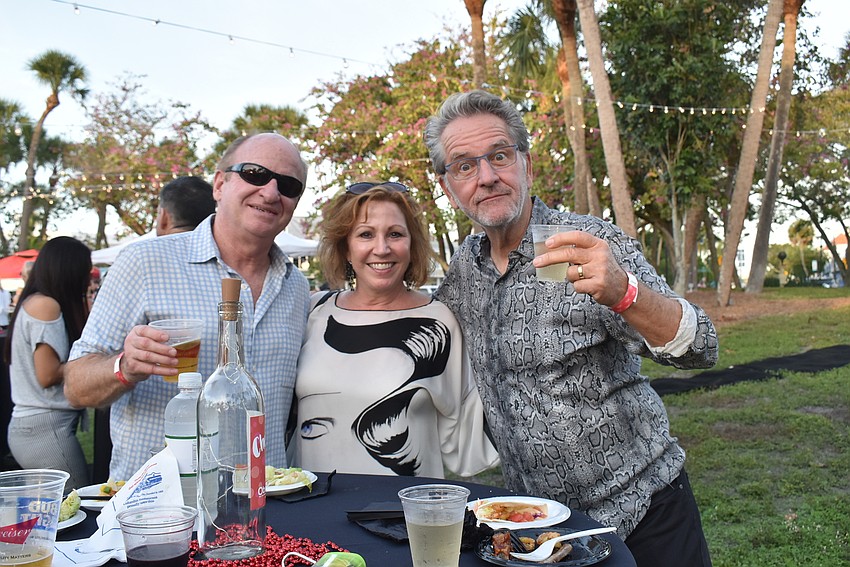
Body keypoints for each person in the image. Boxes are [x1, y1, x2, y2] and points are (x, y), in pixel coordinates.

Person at [423, 90, 718, 566]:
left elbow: (701, 346)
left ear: (526, 164)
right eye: (464, 165)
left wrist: (625, 293)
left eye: (499, 155)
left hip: (643, 511)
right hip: (538, 531)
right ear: (447, 185)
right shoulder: (464, 270)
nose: (487, 176)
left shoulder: (586, 242)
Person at [65, 133, 311, 481]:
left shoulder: (296, 286)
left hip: (263, 498)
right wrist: (126, 366)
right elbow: (75, 387)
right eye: (255, 174)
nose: (270, 192)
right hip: (161, 499)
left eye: (288, 185)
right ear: (220, 185)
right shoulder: (145, 262)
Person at [292, 182, 498, 478]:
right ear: (346, 247)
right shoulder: (314, 312)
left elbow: (467, 436)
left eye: (395, 234)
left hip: (406, 504)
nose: (382, 248)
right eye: (365, 234)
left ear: (412, 245)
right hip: (313, 500)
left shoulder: (440, 322)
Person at [3, 237, 92, 488]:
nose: (88, 280)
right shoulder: (46, 305)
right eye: (85, 272)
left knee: (51, 507)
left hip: (33, 428)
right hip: (44, 429)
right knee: (77, 502)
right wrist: (93, 364)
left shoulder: (33, 301)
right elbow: (48, 374)